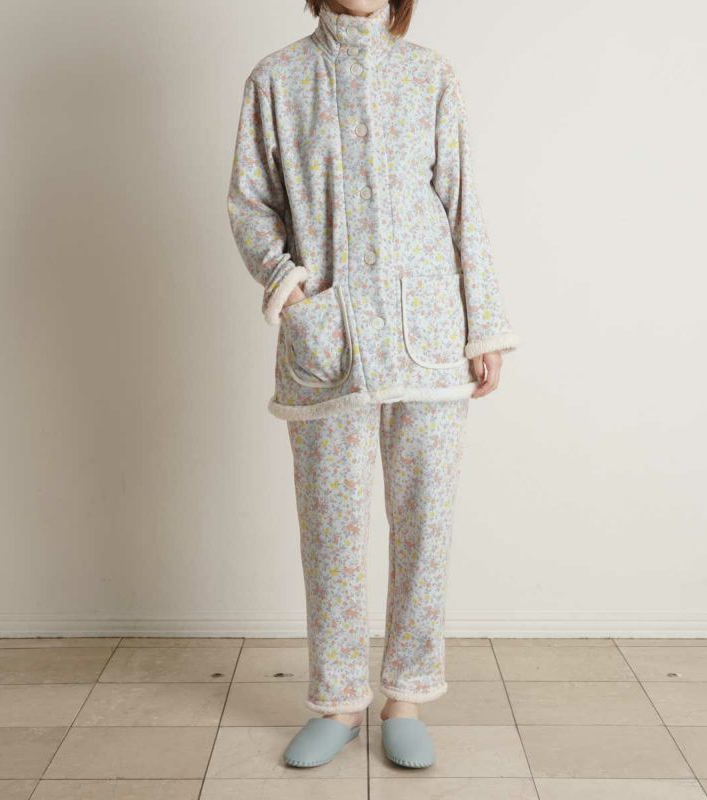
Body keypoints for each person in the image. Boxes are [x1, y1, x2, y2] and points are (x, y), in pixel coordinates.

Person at [227, 0, 519, 770]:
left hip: (430, 338)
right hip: (332, 339)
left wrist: (484, 326)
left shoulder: (430, 76)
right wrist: (288, 285)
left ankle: (407, 696)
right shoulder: (278, 79)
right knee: (332, 529)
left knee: (424, 524)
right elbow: (251, 202)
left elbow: (461, 204)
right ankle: (337, 699)